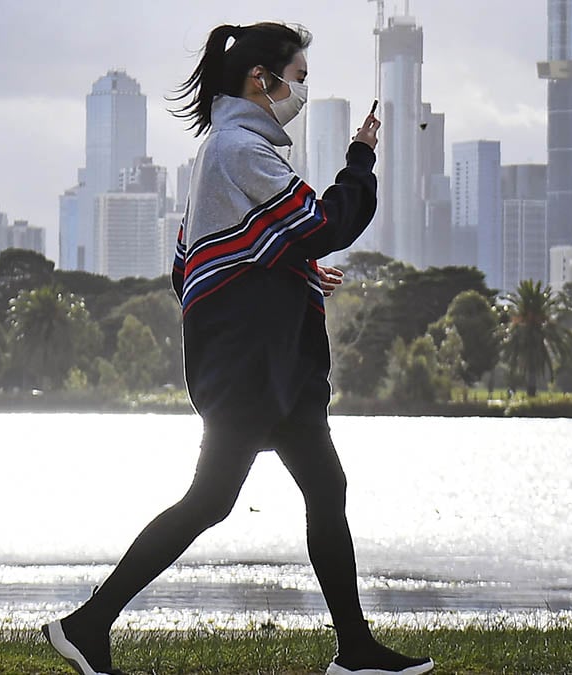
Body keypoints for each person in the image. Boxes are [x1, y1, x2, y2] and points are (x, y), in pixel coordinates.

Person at [42, 22, 434, 675]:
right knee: (211, 500)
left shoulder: (230, 150)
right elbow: (324, 223)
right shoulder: (237, 151)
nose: (301, 92)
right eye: (299, 78)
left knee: (324, 486)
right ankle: (87, 623)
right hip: (253, 369)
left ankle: (356, 650)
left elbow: (196, 261)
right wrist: (360, 156)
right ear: (263, 79)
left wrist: (296, 270)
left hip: (274, 367)